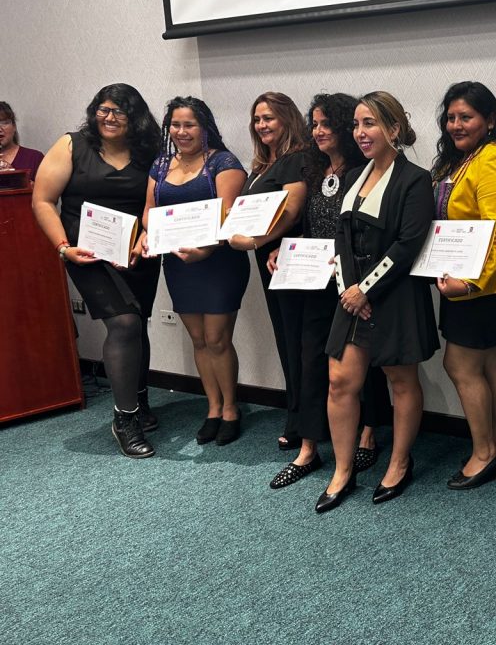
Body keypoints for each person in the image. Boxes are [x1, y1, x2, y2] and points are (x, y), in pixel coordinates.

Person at [316, 91, 438, 512]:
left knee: (401, 381)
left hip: (395, 293)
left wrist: (365, 290)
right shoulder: (354, 176)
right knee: (339, 382)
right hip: (351, 294)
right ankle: (343, 469)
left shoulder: (415, 179)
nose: (360, 132)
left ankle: (400, 462)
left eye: (369, 123)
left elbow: (408, 244)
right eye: (356, 124)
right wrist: (349, 290)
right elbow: (341, 238)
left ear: (394, 128)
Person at [266, 93, 392, 489]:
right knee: (310, 359)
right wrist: (282, 250)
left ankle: (368, 433)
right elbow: (306, 225)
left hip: (353, 281)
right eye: (314, 124)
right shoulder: (313, 169)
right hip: (314, 280)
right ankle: (308, 447)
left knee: (362, 363)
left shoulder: (364, 170)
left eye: (326, 124)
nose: (319, 131)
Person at [32, 84, 162, 457]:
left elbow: (159, 200)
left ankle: (139, 400)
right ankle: (125, 419)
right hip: (85, 254)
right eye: (103, 109)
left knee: (138, 323)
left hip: (136, 254)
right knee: (124, 323)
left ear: (135, 117)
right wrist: (63, 248)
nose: (109, 117)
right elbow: (43, 200)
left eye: (119, 111)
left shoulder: (149, 151)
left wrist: (148, 234)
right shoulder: (72, 145)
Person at [432, 81, 496, 491]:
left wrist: (470, 283)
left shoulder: (493, 158)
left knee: (460, 365)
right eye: (451, 117)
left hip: (484, 284)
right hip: (468, 279)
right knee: (492, 361)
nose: (456, 124)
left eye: (466, 117)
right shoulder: (462, 159)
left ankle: (484, 453)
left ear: (489, 120)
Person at [140, 97, 249, 445]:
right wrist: (148, 233)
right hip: (178, 263)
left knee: (217, 339)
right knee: (199, 339)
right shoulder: (160, 165)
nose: (181, 131)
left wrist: (204, 250)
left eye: (190, 124)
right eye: (175, 124)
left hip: (218, 261)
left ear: (205, 127)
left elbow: (226, 216)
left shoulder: (223, 163)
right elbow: (149, 211)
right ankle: (213, 407)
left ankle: (231, 408)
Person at [227, 92, 307, 449]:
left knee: (297, 341)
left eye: (269, 118)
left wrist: (255, 241)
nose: (261, 125)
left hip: (289, 260)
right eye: (257, 119)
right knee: (285, 340)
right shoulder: (261, 165)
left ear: (287, 119)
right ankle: (298, 413)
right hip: (268, 263)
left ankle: (301, 420)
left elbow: (291, 211)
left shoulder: (296, 159)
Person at [0, 101, 45, 180]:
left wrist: (15, 176)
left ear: (14, 126)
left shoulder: (35, 158)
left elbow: (47, 187)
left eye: (4, 123)